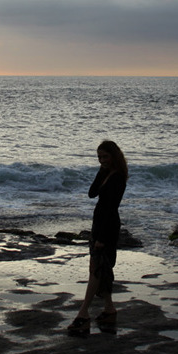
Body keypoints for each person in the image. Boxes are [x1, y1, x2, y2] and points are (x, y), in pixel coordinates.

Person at [67, 140, 128, 334]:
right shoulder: (106, 173)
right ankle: (109, 309)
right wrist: (101, 171)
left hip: (108, 227)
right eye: (99, 157)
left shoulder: (118, 177)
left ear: (114, 156)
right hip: (98, 224)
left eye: (105, 157)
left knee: (96, 270)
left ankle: (83, 314)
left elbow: (110, 209)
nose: (102, 160)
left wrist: (102, 237)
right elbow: (91, 194)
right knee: (102, 270)